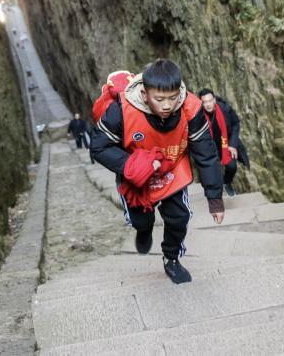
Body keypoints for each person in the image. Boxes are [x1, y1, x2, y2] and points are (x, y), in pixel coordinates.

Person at [91, 59, 224, 284]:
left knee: (179, 218)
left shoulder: (190, 108)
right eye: (159, 99)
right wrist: (133, 165)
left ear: (179, 91)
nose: (167, 106)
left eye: (173, 98)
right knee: (142, 221)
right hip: (137, 180)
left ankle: (171, 259)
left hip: (173, 169)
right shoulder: (121, 110)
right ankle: (144, 230)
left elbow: (206, 153)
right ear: (144, 94)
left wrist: (215, 198)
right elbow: (99, 146)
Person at [198, 88, 250, 196]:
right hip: (210, 146)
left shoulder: (224, 109)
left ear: (214, 100)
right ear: (201, 103)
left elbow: (235, 123)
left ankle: (227, 182)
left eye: (210, 101)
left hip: (225, 143)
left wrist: (232, 144)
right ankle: (216, 194)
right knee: (213, 172)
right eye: (204, 102)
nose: (208, 104)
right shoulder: (198, 116)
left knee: (232, 167)